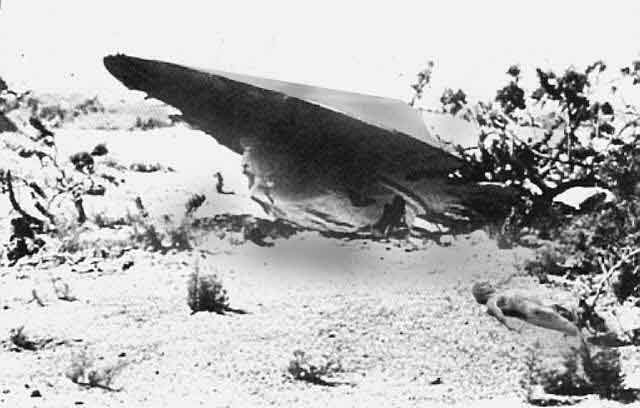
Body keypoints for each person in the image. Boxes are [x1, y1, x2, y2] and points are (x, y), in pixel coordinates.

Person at [472, 281, 582, 338]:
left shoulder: (496, 294)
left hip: (527, 302)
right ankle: (575, 330)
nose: (490, 284)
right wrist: (509, 326)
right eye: (486, 285)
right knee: (550, 313)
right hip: (524, 306)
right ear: (482, 291)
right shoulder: (490, 301)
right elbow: (498, 313)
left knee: (551, 309)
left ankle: (574, 324)